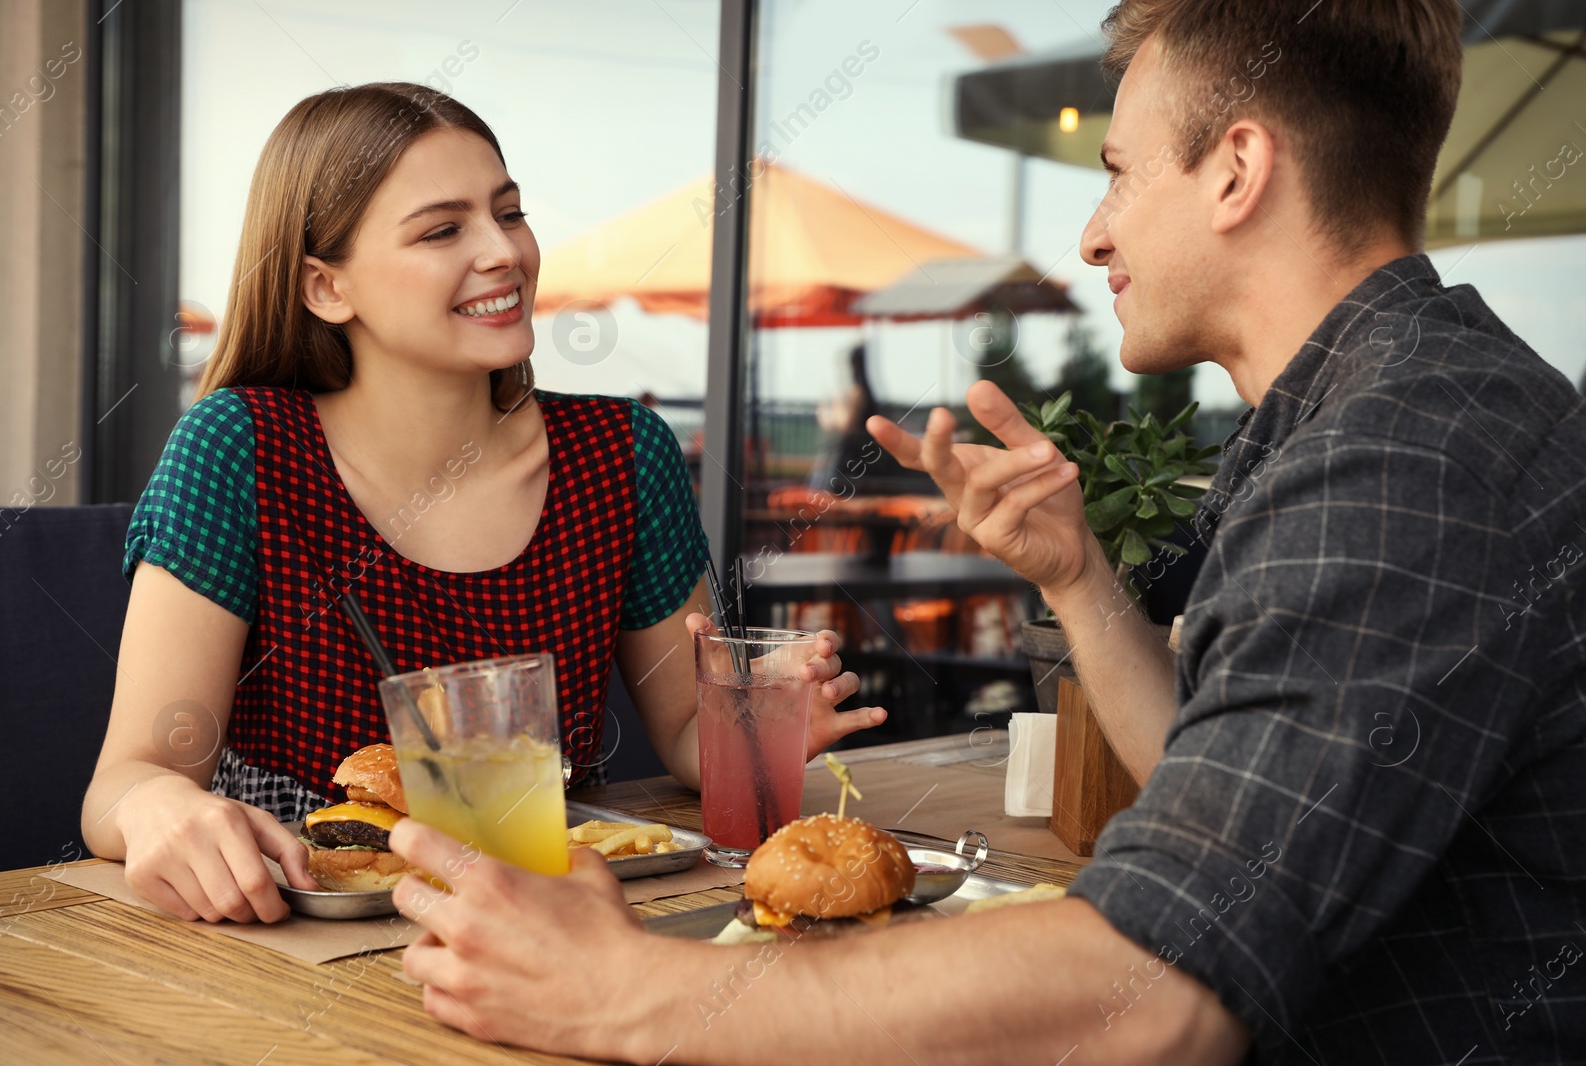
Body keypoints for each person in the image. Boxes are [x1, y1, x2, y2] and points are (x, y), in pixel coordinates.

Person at [382, 1, 1586, 1063]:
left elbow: (1160, 990)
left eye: (1118, 173)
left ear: (1235, 170)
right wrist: (1078, 579)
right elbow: (1233, 815)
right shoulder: (1366, 411)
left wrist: (628, 991)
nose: (1093, 235)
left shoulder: (1405, 456)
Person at [80, 83, 885, 926]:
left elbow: (688, 733)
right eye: (442, 230)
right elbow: (125, 780)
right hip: (282, 934)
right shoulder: (237, 450)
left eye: (510, 213)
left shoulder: (623, 456)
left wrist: (762, 715)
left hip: (540, 921)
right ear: (325, 287)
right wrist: (155, 806)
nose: (504, 251)